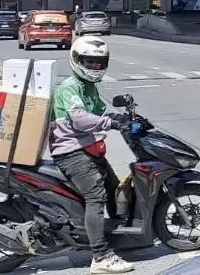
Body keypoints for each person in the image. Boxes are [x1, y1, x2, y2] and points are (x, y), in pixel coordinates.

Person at [49, 36, 134, 274]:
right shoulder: (70, 87)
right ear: (77, 61)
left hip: (87, 148)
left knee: (114, 187)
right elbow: (80, 118)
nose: (95, 66)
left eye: (99, 62)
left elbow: (99, 114)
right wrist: (111, 123)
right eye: (90, 62)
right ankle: (101, 256)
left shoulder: (89, 87)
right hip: (72, 152)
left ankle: (123, 237)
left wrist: (124, 118)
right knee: (96, 197)